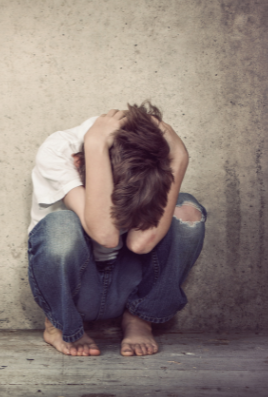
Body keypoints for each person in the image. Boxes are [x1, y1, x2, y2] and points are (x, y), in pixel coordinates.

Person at [27, 102, 206, 357]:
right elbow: (106, 235)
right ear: (78, 163)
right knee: (62, 225)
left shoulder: (154, 157)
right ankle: (60, 326)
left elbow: (141, 244)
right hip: (77, 292)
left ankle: (140, 318)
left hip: (129, 286)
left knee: (187, 211)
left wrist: (179, 159)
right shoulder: (60, 150)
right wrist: (96, 146)